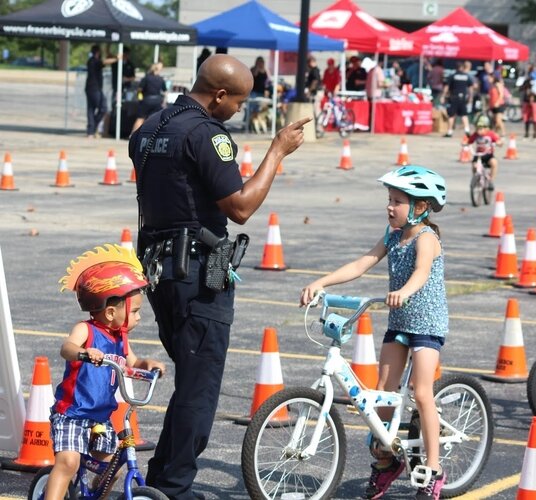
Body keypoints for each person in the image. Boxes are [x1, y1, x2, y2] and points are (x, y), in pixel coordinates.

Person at [128, 54, 310, 500]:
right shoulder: (207, 135)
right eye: (239, 102)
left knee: (190, 378)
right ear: (220, 94)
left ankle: (160, 481)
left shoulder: (151, 126)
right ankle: (173, 487)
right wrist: (277, 151)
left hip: (157, 269)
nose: (239, 111)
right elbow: (241, 207)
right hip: (195, 274)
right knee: (201, 385)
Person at [299, 166, 448, 500]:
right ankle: (387, 461)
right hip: (399, 323)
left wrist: (406, 290)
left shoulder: (427, 239)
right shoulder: (393, 236)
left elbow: (422, 272)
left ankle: (433, 470)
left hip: (427, 325)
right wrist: (320, 282)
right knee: (383, 392)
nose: (389, 207)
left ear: (419, 207)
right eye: (389, 199)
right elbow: (361, 263)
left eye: (397, 201)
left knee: (421, 392)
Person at [46, 245, 166, 500]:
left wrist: (147, 365)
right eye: (134, 311)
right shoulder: (85, 330)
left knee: (114, 467)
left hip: (101, 416)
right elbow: (66, 348)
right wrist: (84, 352)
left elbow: (133, 362)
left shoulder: (120, 337)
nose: (139, 317)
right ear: (111, 312)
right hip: (73, 414)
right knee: (68, 462)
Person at [85, 45, 117, 138]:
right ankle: (92, 128)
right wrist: (117, 58)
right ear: (98, 52)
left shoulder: (92, 61)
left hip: (93, 88)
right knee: (102, 108)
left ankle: (91, 130)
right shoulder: (93, 61)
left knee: (91, 109)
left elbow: (105, 60)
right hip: (94, 88)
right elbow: (105, 61)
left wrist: (108, 50)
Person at [131, 62, 167, 135]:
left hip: (146, 100)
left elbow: (139, 89)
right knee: (156, 120)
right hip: (157, 101)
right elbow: (165, 92)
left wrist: (139, 97)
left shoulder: (146, 78)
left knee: (140, 118)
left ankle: (133, 135)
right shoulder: (161, 79)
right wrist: (164, 102)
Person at [466, 115, 500, 189]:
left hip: (488, 155)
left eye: (481, 128)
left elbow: (498, 141)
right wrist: (465, 143)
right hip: (478, 155)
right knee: (474, 165)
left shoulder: (491, 134)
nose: (479, 131)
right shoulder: (475, 135)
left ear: (487, 128)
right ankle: (475, 178)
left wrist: (498, 143)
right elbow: (469, 141)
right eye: (477, 129)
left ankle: (491, 180)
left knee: (494, 163)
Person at [442, 61, 473, 137]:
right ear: (462, 68)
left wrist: (443, 96)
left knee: (451, 115)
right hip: (462, 98)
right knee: (464, 115)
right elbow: (470, 88)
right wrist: (470, 97)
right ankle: (467, 130)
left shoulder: (452, 76)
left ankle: (449, 132)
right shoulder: (466, 76)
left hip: (454, 98)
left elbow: (447, 87)